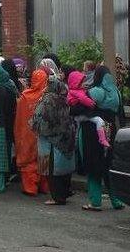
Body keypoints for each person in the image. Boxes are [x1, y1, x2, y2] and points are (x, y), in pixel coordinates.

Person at [73, 66, 125, 211]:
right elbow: (121, 115)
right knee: (108, 165)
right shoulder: (116, 93)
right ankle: (116, 200)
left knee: (93, 164)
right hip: (110, 130)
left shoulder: (96, 92)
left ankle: (95, 201)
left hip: (91, 132)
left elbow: (77, 108)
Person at [31, 77, 77, 205]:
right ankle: (65, 193)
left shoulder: (47, 100)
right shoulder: (64, 99)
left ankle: (56, 197)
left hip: (51, 140)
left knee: (52, 169)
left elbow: (39, 118)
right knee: (65, 169)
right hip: (66, 139)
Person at [14, 69, 49, 196]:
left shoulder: (25, 96)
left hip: (28, 132)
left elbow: (20, 118)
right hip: (44, 132)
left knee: (28, 160)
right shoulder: (47, 95)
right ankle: (44, 186)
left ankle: (30, 187)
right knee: (44, 157)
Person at [67, 71, 110, 148]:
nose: (83, 84)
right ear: (77, 83)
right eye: (81, 82)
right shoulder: (77, 92)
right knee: (99, 120)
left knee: (77, 131)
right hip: (83, 114)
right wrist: (92, 103)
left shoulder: (72, 91)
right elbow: (84, 99)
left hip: (77, 116)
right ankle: (102, 138)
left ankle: (75, 145)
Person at [0, 65, 18, 182]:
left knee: (1, 149)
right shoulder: (11, 88)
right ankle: (6, 175)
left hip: (1, 122)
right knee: (7, 148)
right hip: (10, 121)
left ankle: (1, 177)